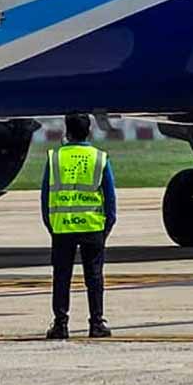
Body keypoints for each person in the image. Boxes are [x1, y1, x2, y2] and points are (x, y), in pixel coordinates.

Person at [42, 113, 116, 340]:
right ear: (89, 131)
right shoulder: (99, 158)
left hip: (62, 227)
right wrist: (105, 228)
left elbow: (45, 198)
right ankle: (96, 323)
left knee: (61, 277)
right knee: (94, 277)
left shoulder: (55, 158)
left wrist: (52, 225)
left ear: (67, 132)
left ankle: (60, 324)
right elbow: (110, 199)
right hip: (93, 227)